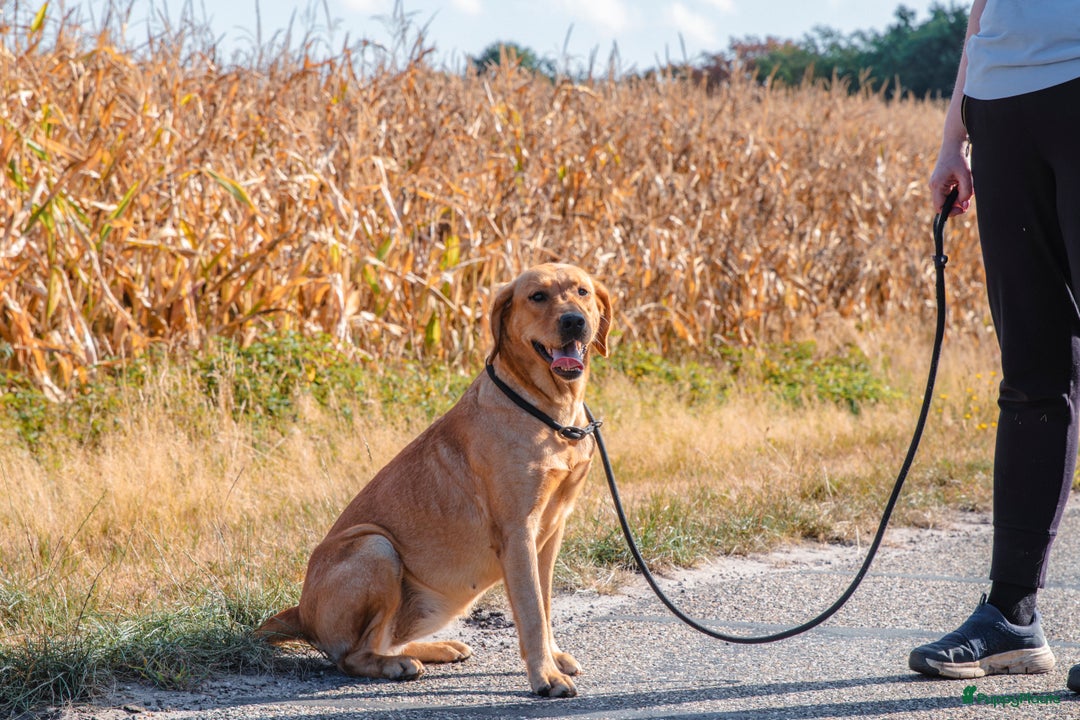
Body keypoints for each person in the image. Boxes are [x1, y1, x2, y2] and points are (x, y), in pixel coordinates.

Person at [909, 0, 1080, 691]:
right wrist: (956, 135)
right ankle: (1011, 615)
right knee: (1033, 369)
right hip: (1002, 107)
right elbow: (985, 9)